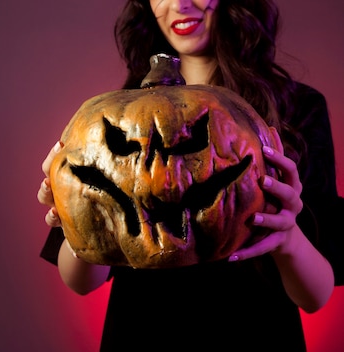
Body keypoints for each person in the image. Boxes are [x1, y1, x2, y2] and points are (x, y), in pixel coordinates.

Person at [37, 0, 344, 350]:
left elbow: (315, 297)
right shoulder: (118, 119)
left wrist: (289, 237)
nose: (180, 3)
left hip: (256, 333)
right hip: (141, 332)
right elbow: (81, 282)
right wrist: (75, 214)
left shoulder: (296, 109)